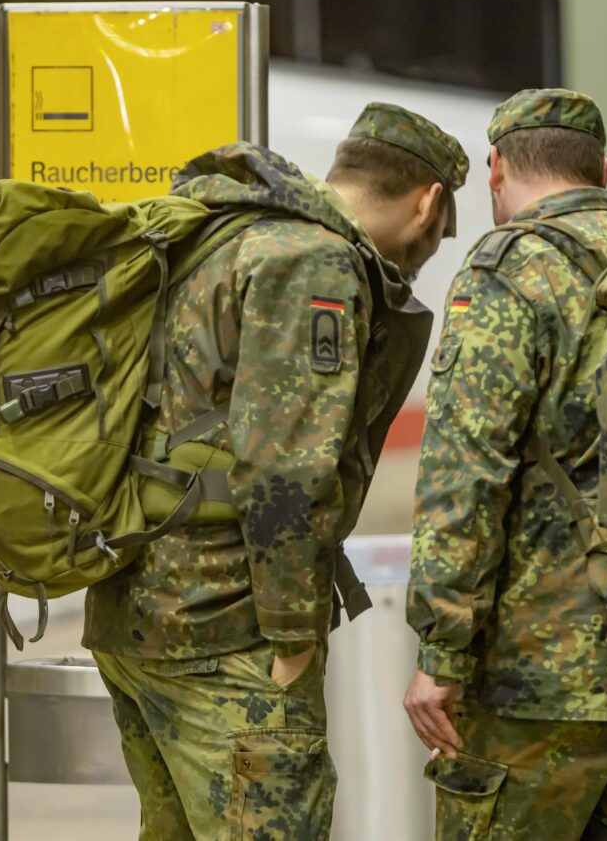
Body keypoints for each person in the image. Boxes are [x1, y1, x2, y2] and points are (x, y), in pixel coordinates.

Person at [86, 104, 469, 840]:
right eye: (439, 232)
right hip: (224, 633)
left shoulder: (221, 232)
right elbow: (286, 470)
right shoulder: (313, 263)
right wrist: (293, 642)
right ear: (427, 202)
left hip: (136, 611)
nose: (427, 252)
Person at [404, 89, 607, 840]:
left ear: (496, 169)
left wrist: (440, 651)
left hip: (535, 685)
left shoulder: (509, 270)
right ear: (602, 169)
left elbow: (463, 472)